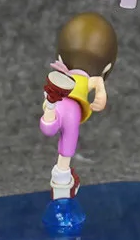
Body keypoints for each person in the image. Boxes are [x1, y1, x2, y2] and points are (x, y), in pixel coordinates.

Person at [40, 12, 118, 199]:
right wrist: (100, 96)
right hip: (73, 108)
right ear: (107, 67)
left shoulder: (65, 76)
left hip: (60, 99)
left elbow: (99, 87)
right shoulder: (93, 79)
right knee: (68, 138)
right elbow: (99, 85)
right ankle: (62, 174)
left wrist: (100, 95)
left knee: (50, 127)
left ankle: (50, 106)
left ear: (60, 57)